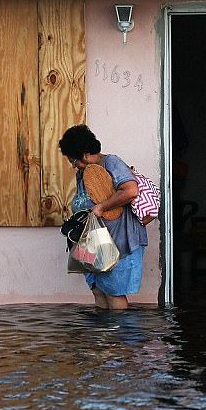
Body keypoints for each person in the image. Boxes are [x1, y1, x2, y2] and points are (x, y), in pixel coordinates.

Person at [59, 124, 148, 310]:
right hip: (94, 242)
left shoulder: (111, 163)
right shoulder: (84, 172)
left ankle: (120, 336)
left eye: (73, 160)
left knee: (113, 292)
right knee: (98, 290)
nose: (73, 165)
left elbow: (130, 191)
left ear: (84, 154)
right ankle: (104, 337)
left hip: (118, 241)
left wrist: (101, 207)